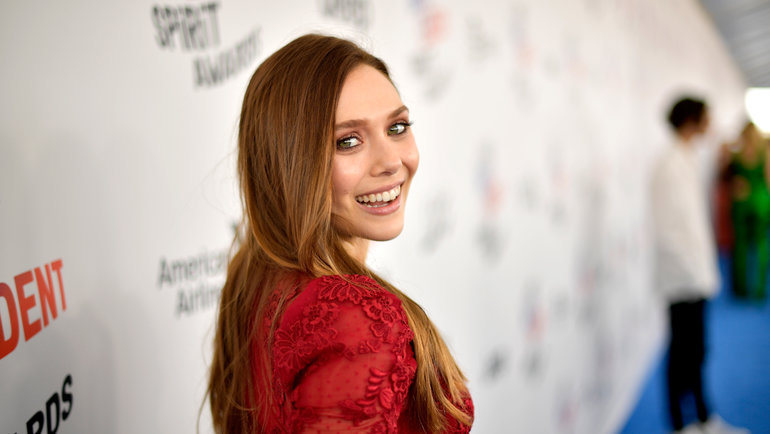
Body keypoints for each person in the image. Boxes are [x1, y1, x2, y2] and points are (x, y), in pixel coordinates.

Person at [206, 34, 474, 433]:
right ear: (291, 163)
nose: (390, 161)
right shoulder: (355, 320)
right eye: (348, 141)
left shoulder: (256, 272)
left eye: (397, 127)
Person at [651, 97, 749, 434]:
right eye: (707, 118)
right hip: (683, 277)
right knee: (683, 352)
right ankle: (682, 423)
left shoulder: (686, 159)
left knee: (695, 351)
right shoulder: (669, 165)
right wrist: (694, 273)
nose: (711, 124)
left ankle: (703, 418)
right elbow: (669, 230)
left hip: (693, 275)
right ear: (692, 121)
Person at [727, 122, 770, 300]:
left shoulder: (737, 155)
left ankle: (741, 288)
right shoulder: (763, 153)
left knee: (742, 245)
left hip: (744, 202)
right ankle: (758, 288)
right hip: (759, 201)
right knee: (759, 244)